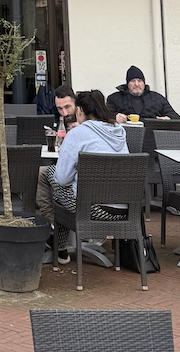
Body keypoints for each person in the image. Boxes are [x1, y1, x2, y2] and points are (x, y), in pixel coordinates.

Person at [45, 89, 129, 262]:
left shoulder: (77, 134)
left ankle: (57, 242)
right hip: (122, 208)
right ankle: (58, 243)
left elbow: (62, 179)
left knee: (51, 174)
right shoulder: (119, 131)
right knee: (63, 183)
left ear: (79, 111)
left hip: (92, 208)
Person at [36, 84, 78, 222]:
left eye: (67, 107)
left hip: (82, 170)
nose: (64, 113)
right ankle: (52, 222)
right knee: (42, 173)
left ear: (75, 102)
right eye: (60, 108)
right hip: (61, 163)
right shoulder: (55, 116)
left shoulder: (85, 118)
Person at [107, 66, 179, 122]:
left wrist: (168, 118)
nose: (137, 84)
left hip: (153, 138)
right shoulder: (115, 98)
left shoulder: (157, 98)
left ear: (144, 83)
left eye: (139, 81)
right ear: (127, 84)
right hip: (124, 137)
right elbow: (103, 116)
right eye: (133, 81)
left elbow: (175, 117)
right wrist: (115, 116)